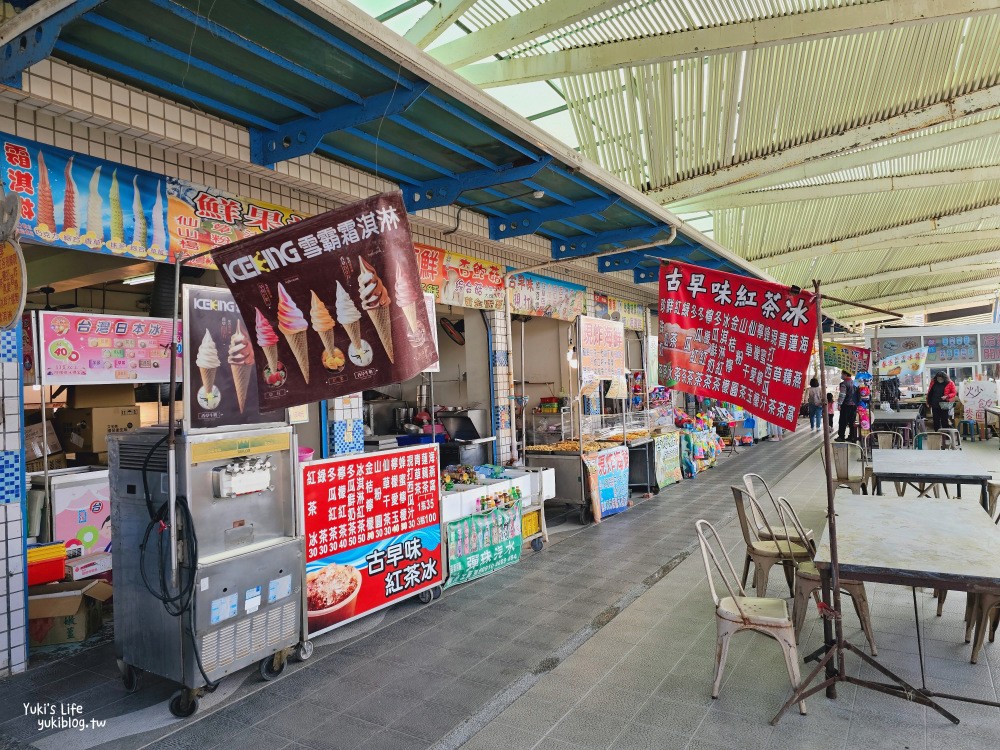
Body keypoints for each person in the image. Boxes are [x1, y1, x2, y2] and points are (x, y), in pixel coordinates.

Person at [836, 370, 859, 442]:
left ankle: (841, 437)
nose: (841, 375)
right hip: (854, 405)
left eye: (842, 374)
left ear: (845, 374)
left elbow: (842, 395)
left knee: (843, 421)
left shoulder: (844, 383)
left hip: (846, 405)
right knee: (852, 422)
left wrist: (839, 404)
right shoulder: (855, 383)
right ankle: (852, 436)